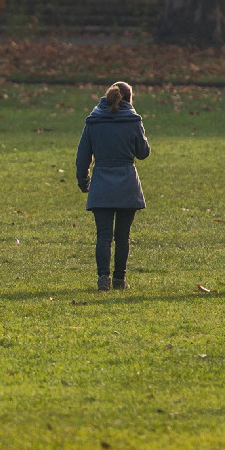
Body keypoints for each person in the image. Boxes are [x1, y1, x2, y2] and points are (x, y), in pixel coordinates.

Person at [76, 80, 150, 292]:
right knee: (122, 236)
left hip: (101, 184)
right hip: (127, 183)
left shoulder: (93, 121)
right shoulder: (133, 121)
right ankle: (119, 279)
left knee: (104, 235)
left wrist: (84, 182)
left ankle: (103, 279)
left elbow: (82, 158)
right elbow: (143, 153)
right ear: (129, 98)